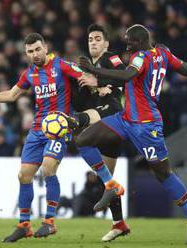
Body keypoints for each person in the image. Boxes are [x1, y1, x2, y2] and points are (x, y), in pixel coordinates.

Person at [0, 33, 124, 242]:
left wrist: (100, 87)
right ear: (26, 53)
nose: (35, 54)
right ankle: (24, 224)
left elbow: (82, 75)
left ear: (45, 47)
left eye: (38, 49)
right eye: (30, 51)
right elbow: (12, 95)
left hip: (59, 127)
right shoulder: (29, 73)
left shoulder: (61, 65)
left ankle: (49, 222)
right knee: (24, 176)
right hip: (38, 129)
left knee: (48, 168)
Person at [77, 24, 187, 244]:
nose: (127, 46)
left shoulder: (140, 57)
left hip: (146, 126)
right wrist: (168, 63)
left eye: (130, 42)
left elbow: (128, 75)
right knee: (83, 140)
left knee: (163, 174)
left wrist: (94, 69)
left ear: (139, 42)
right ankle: (111, 185)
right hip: (126, 118)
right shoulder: (163, 52)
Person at [72, 24, 130, 242]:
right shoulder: (89, 67)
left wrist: (101, 83)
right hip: (106, 126)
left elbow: (125, 76)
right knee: (107, 182)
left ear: (106, 43)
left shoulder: (110, 58)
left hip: (113, 114)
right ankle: (119, 224)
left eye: (98, 38)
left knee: (78, 123)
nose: (93, 42)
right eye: (90, 39)